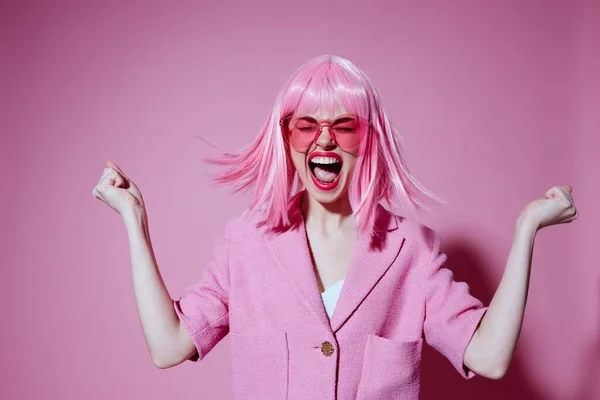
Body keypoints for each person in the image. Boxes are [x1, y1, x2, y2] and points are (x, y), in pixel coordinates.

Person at [92, 55, 578, 400]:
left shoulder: (412, 250)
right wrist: (135, 222)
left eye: (344, 125)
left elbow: (489, 358)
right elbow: (169, 344)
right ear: (287, 138)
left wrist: (526, 228)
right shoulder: (246, 242)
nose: (324, 138)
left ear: (367, 140)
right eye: (306, 125)